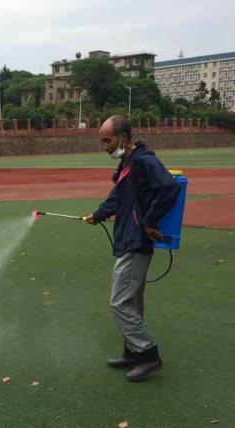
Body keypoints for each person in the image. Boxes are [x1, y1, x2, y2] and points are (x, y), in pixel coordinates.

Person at [84, 115, 180, 382]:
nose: (103, 145)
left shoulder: (144, 160)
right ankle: (132, 351)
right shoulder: (128, 162)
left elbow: (170, 187)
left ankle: (148, 355)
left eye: (108, 139)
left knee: (120, 302)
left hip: (136, 241)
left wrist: (149, 221)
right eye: (101, 140)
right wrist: (98, 214)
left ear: (123, 138)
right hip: (127, 238)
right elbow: (118, 196)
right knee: (132, 301)